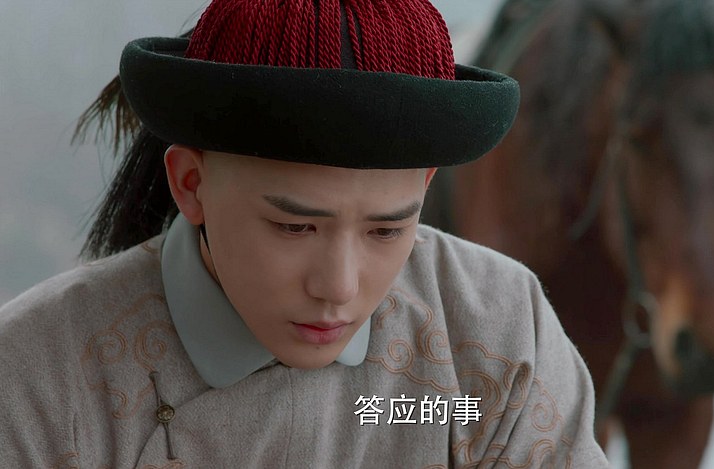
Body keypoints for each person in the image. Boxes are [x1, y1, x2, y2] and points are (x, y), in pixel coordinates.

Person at [0, 0, 609, 467]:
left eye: (387, 229)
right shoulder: (39, 380)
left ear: (425, 188)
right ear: (191, 183)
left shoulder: (493, 335)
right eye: (294, 225)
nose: (338, 287)